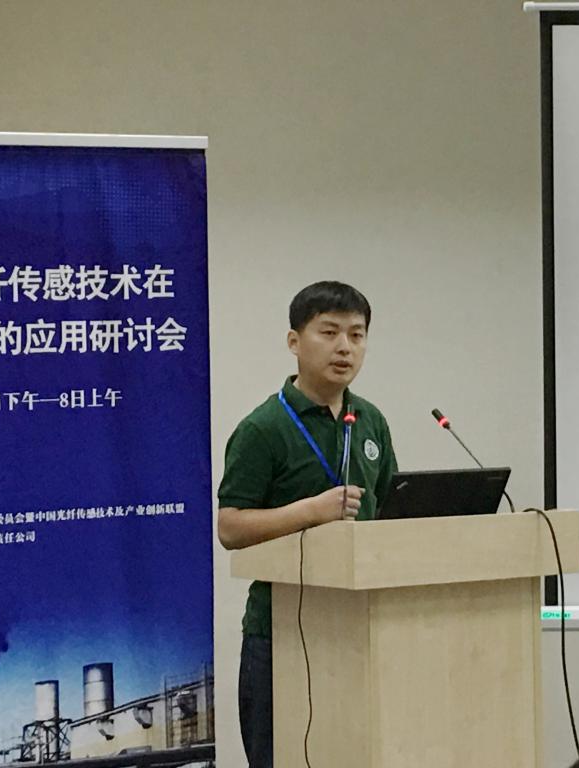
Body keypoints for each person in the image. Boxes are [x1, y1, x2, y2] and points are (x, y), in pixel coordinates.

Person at [217, 280, 397, 768]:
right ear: (294, 341)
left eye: (357, 335)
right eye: (329, 332)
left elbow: (390, 511)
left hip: (360, 623)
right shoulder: (263, 428)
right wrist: (311, 512)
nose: (345, 348)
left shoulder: (370, 420)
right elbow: (230, 527)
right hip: (281, 631)